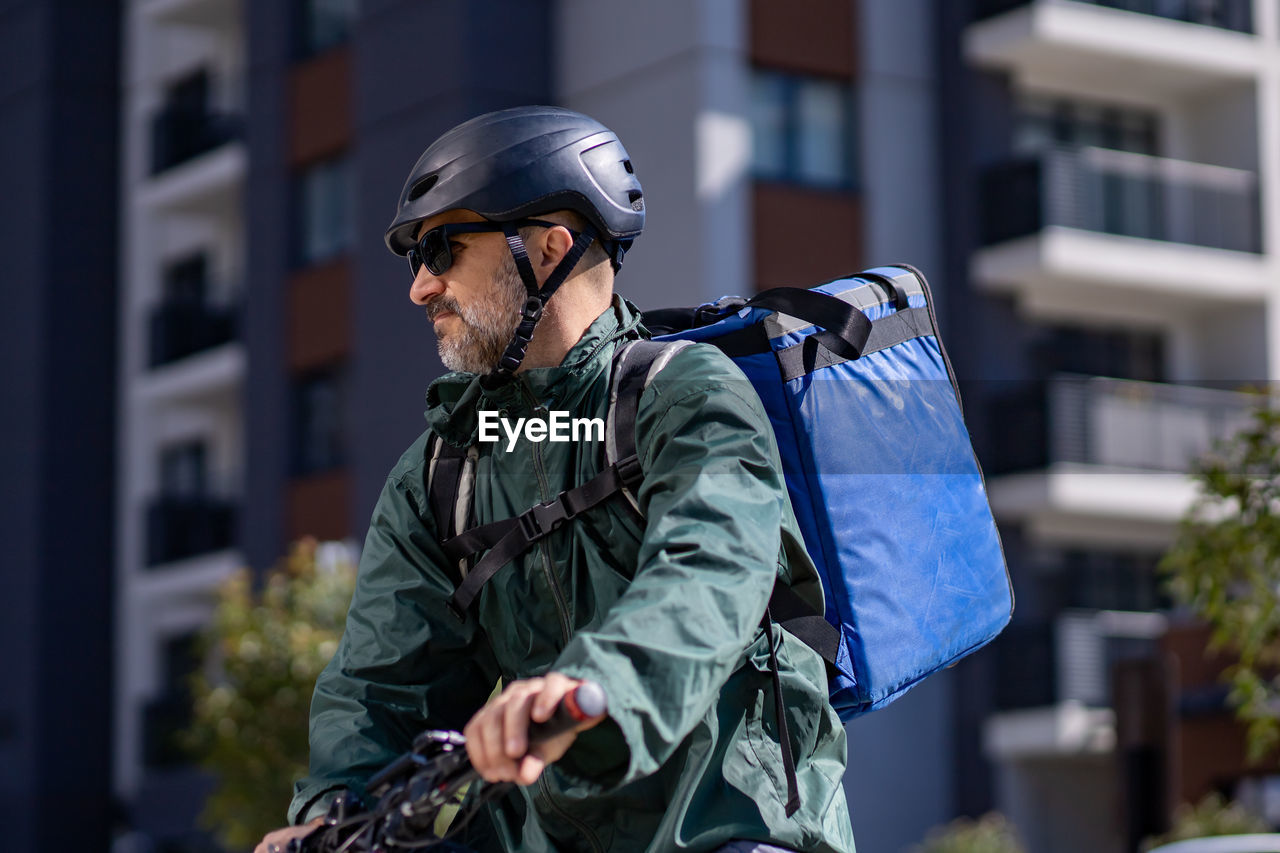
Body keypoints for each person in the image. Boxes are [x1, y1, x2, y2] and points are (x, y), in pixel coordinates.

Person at [256, 106, 855, 853]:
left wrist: (589, 690)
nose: (419, 287)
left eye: (442, 247)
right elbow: (382, 684)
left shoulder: (687, 394)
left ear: (548, 248)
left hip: (727, 822)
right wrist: (329, 811)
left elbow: (709, 571)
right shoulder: (443, 468)